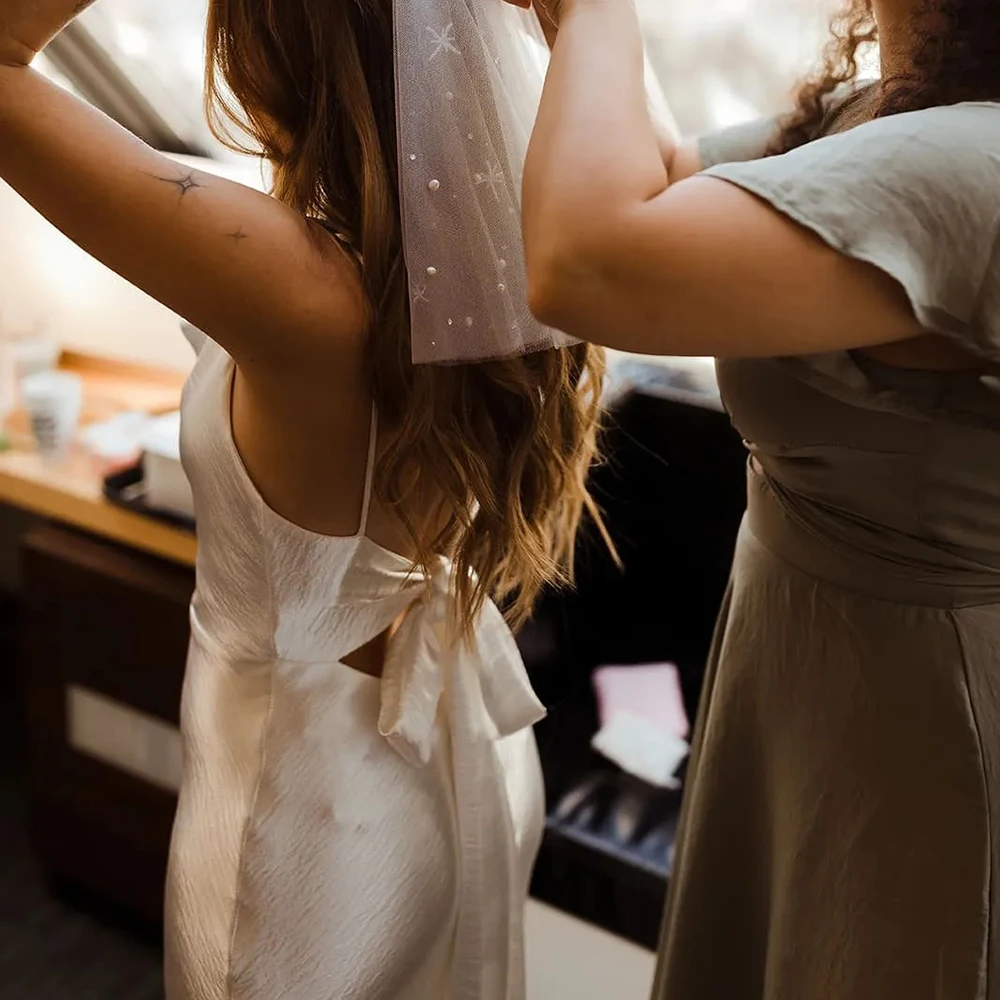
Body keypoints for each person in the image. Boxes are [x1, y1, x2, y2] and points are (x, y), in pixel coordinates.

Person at [0, 0, 607, 997]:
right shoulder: (488, 236)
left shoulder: (293, 279)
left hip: (305, 808)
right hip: (448, 760)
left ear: (268, 44)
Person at [509, 0, 1000, 995]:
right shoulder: (878, 117)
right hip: (807, 660)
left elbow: (583, 262)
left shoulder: (974, 160)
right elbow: (654, 178)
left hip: (915, 716)